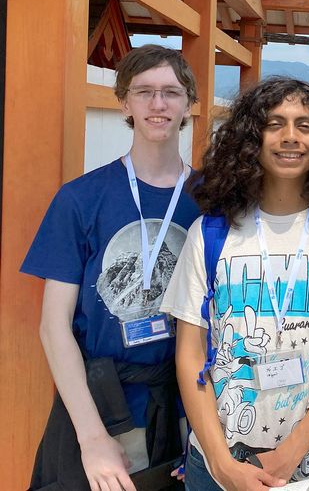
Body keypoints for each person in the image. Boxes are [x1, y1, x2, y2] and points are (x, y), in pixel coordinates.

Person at [160, 77, 309, 490]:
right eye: (274, 123)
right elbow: (190, 354)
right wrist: (220, 462)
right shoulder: (211, 233)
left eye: (305, 125)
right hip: (216, 467)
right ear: (251, 136)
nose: (290, 137)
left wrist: (289, 453)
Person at [22, 45, 201, 490]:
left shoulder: (213, 200)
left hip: (190, 410)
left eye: (171, 93)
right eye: (144, 92)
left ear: (188, 104)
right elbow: (53, 326)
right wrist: (92, 437)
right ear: (124, 101)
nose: (158, 105)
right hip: (106, 407)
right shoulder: (81, 198)